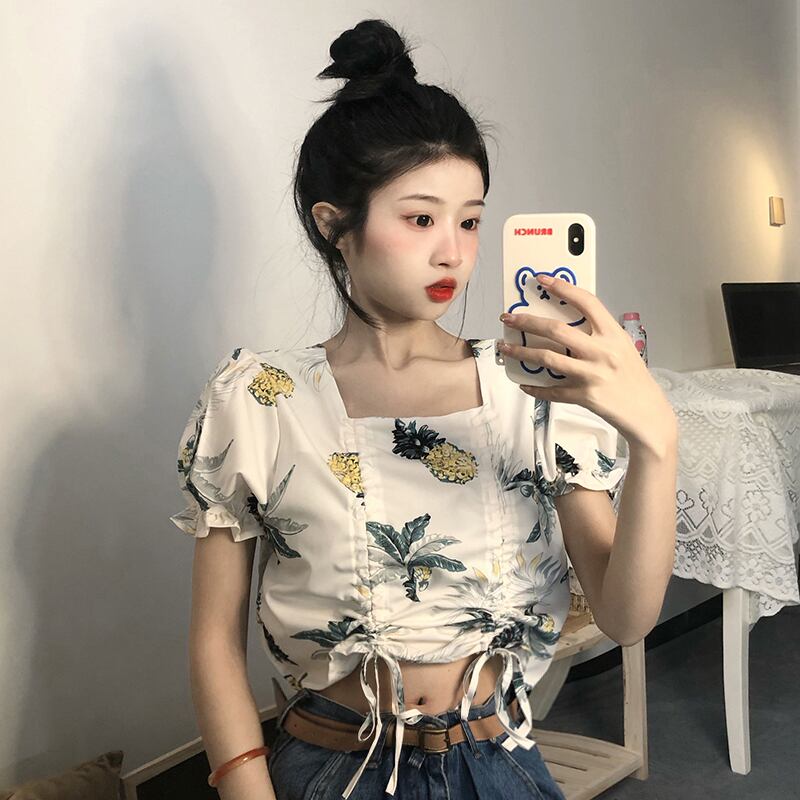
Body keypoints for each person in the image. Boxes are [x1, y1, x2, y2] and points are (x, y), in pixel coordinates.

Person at [170, 17, 679, 800]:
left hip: (497, 766)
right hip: (330, 768)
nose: (454, 251)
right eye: (420, 219)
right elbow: (214, 642)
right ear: (335, 226)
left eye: (470, 220)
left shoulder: (531, 392)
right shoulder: (259, 401)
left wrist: (656, 443)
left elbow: (625, 614)